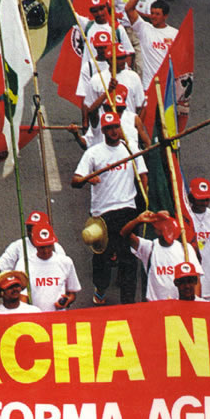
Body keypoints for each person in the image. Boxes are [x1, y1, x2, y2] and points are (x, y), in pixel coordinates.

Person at [72, 111, 148, 305]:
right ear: (103, 131)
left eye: (116, 127)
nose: (113, 131)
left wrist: (143, 204)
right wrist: (89, 178)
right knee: (102, 257)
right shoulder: (93, 153)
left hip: (127, 210)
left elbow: (143, 175)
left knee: (129, 258)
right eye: (109, 128)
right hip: (102, 214)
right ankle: (100, 288)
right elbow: (76, 181)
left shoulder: (131, 149)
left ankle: (128, 304)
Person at [120, 210, 203, 301]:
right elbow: (124, 234)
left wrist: (195, 304)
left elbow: (196, 279)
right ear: (157, 231)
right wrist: (138, 220)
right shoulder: (149, 248)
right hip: (156, 305)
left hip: (180, 304)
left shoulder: (185, 248)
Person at [11, 224, 81, 312]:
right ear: (35, 244)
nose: (46, 251)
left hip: (59, 320)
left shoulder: (66, 262)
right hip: (35, 319)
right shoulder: (23, 264)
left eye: (49, 246)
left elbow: (72, 293)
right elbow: (22, 296)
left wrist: (67, 300)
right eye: (42, 247)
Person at [124, 0, 178, 90]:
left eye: (157, 14)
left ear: (165, 16)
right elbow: (128, 9)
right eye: (152, 13)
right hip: (149, 86)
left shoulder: (175, 34)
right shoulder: (143, 29)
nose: (153, 16)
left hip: (168, 87)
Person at [0, 210, 65, 286]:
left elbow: (65, 274)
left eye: (34, 229)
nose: (30, 233)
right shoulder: (19, 245)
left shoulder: (57, 249)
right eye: (29, 229)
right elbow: (1, 264)